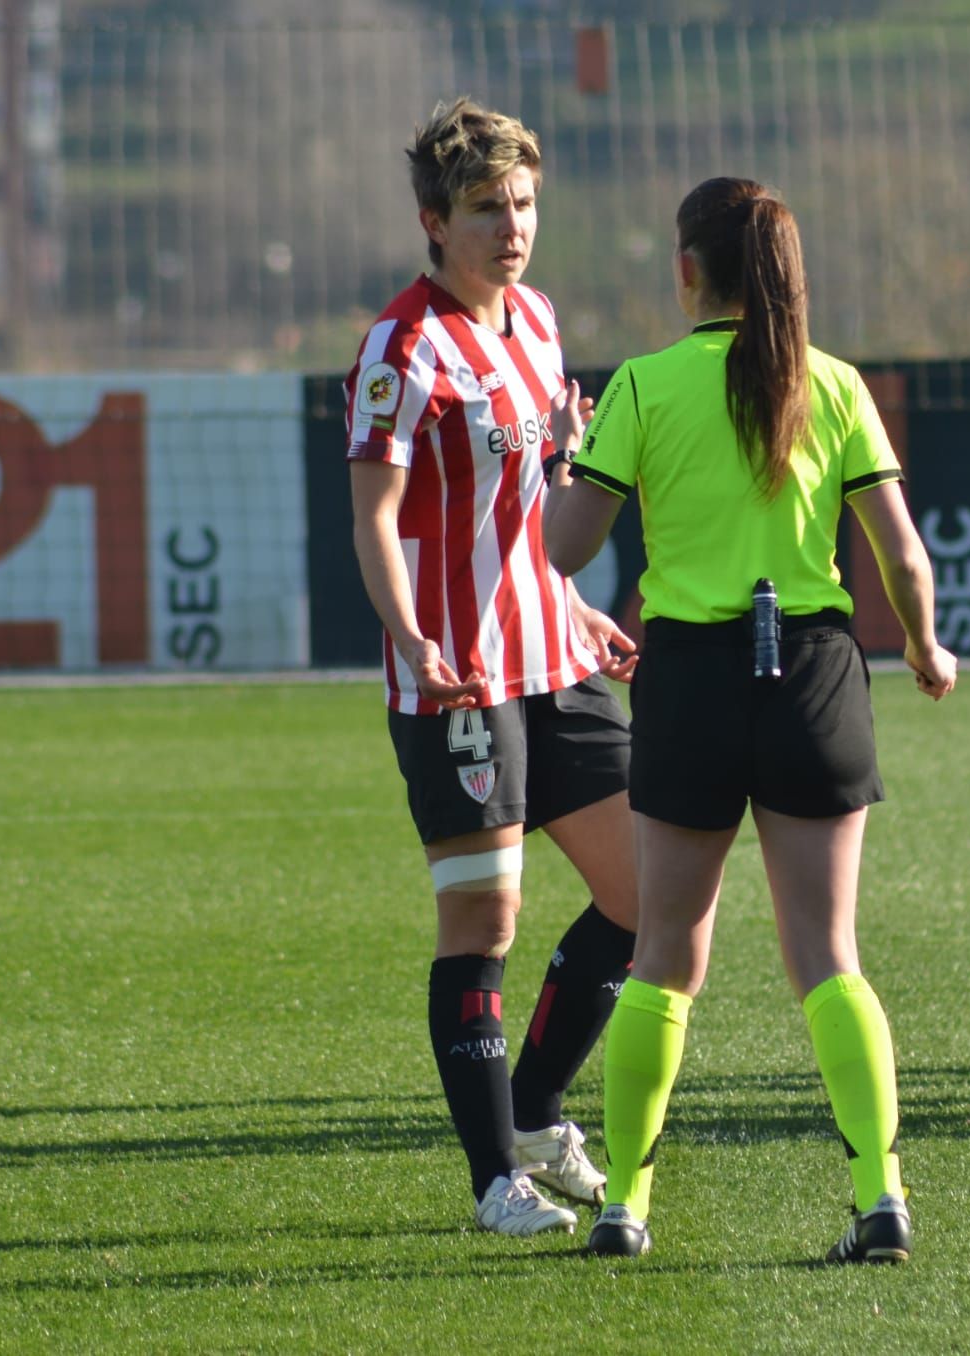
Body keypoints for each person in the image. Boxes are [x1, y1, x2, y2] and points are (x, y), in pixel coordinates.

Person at [543, 177, 957, 1264]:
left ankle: (625, 1204)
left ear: (686, 271)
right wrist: (922, 648)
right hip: (815, 673)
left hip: (686, 677)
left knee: (662, 959)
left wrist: (558, 453)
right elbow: (902, 557)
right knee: (827, 954)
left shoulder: (640, 386)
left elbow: (562, 548)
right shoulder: (832, 386)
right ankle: (878, 1195)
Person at [345, 97, 643, 1238]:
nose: (511, 227)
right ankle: (491, 1181)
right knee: (485, 923)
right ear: (434, 221)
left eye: (522, 204)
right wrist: (410, 632)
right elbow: (373, 518)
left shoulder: (535, 322)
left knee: (645, 894)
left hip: (548, 653)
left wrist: (571, 603)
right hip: (456, 674)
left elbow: (530, 515)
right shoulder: (402, 346)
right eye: (485, 209)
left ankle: (529, 1108)